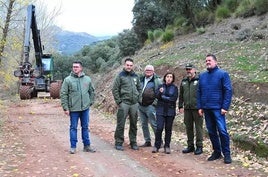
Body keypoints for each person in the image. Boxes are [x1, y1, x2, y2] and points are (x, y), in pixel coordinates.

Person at [197, 54, 233, 164]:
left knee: (222, 131)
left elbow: (228, 91)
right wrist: (200, 106)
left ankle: (227, 154)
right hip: (206, 108)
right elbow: (199, 92)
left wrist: (225, 107)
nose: (207, 62)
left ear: (215, 62)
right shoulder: (202, 76)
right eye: (206, 60)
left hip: (218, 109)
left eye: (210, 60)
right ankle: (217, 152)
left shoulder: (223, 74)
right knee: (211, 131)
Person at [60, 61, 96, 154]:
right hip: (73, 109)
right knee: (73, 127)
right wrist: (66, 108)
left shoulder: (87, 79)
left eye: (77, 67)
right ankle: (73, 147)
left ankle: (87, 146)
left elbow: (91, 92)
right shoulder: (67, 80)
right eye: (73, 67)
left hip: (85, 108)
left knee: (85, 127)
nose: (75, 68)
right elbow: (64, 94)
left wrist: (90, 102)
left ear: (81, 68)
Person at [112, 58, 141, 151]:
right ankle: (119, 142)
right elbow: (115, 89)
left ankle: (133, 142)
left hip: (134, 104)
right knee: (121, 123)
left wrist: (138, 99)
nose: (129, 67)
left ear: (133, 66)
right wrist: (119, 102)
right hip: (124, 103)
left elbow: (139, 89)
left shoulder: (136, 76)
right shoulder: (120, 76)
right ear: (124, 65)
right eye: (127, 65)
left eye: (131, 65)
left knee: (134, 123)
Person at [179, 63, 203, 155]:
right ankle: (190, 146)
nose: (188, 71)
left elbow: (203, 93)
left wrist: (202, 107)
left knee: (198, 128)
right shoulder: (184, 81)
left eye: (190, 69)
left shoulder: (199, 80)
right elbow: (181, 94)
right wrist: (180, 106)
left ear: (194, 70)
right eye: (187, 69)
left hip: (197, 108)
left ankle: (199, 146)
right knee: (188, 127)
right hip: (187, 108)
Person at [152, 72, 178, 154]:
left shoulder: (175, 88)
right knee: (159, 128)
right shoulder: (161, 86)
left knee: (168, 129)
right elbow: (156, 96)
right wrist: (160, 93)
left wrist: (163, 97)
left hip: (170, 111)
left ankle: (167, 146)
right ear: (165, 78)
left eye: (171, 77)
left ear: (173, 79)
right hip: (160, 110)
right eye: (167, 76)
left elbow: (173, 99)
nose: (169, 78)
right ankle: (157, 145)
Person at [138, 65, 162, 147]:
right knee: (144, 124)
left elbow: (160, 93)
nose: (148, 71)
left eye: (150, 70)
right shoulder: (141, 79)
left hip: (150, 106)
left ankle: (159, 141)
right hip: (141, 106)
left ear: (153, 71)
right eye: (147, 70)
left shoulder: (157, 81)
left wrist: (154, 103)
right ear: (144, 71)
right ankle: (147, 141)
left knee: (154, 124)